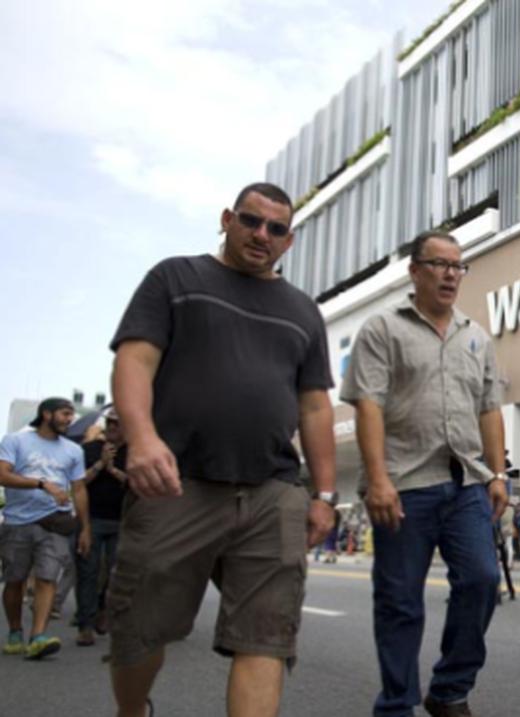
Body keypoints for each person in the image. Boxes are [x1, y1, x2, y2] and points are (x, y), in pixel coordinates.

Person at [107, 182, 337, 717]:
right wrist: (142, 439)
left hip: (272, 492)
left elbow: (315, 407)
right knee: (140, 627)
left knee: (266, 637)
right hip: (175, 484)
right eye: (251, 221)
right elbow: (135, 360)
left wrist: (324, 494)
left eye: (276, 228)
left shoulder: (303, 310)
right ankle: (132, 710)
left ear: (289, 240)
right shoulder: (175, 278)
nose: (262, 235)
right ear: (227, 219)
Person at [341, 230, 507, 717]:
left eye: (458, 266)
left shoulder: (476, 336)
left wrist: (498, 474)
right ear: (415, 271)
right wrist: (378, 479)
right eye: (440, 265)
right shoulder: (383, 328)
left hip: (466, 483)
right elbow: (368, 405)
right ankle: (396, 704)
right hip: (403, 485)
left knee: (482, 581)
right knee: (400, 602)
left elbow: (490, 408)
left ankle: (450, 689)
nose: (451, 274)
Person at [0, 397, 90, 660]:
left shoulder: (73, 450)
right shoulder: (15, 441)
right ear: (46, 414)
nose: (70, 419)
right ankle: (15, 631)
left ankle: (38, 636)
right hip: (18, 522)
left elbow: (79, 489)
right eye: (65, 413)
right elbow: (2, 475)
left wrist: (85, 528)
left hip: (55, 521)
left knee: (47, 578)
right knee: (15, 580)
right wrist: (42, 484)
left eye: (71, 414)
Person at [74, 409, 128, 646]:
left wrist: (114, 470)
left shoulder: (135, 451)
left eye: (118, 423)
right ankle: (85, 624)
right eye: (110, 422)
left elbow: (136, 483)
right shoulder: (89, 450)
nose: (113, 427)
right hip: (91, 519)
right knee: (88, 571)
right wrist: (100, 464)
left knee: (116, 573)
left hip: (122, 521)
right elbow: (78, 482)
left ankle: (103, 609)